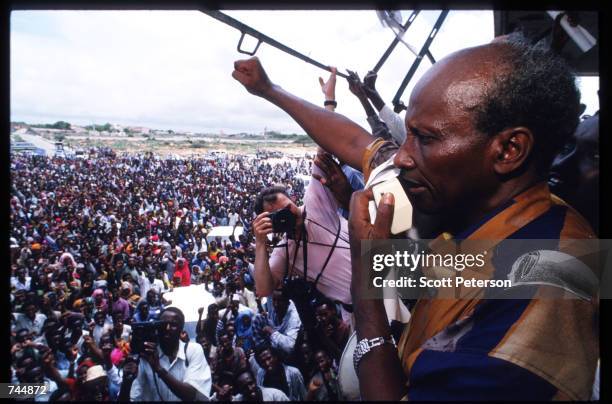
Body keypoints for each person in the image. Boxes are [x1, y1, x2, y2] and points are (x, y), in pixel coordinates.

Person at [232, 32, 598, 400]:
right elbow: (359, 144)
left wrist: (367, 279)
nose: (402, 157)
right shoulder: (495, 213)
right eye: (408, 134)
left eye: (425, 138)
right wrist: (269, 89)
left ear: (508, 149)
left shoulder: (554, 280)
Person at [122, 307, 212, 401]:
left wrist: (158, 369)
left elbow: (190, 395)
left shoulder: (193, 350)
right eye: (163, 324)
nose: (167, 328)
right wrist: (126, 382)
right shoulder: (146, 355)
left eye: (173, 325)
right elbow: (133, 397)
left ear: (181, 329)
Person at [252, 289, 301, 356]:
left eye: (280, 301)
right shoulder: (271, 300)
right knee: (257, 318)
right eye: (274, 300)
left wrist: (271, 331)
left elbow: (290, 346)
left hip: (285, 348)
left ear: (287, 302)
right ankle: (262, 352)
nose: (276, 304)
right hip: (274, 336)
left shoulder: (294, 317)